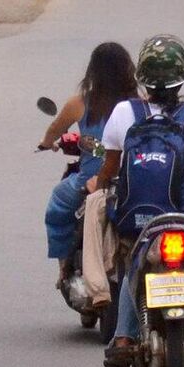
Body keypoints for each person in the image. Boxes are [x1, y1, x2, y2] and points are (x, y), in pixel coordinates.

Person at [93, 34, 184, 367]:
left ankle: (123, 337)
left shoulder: (122, 113)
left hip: (140, 219)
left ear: (142, 80)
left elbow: (109, 168)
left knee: (135, 263)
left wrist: (98, 185)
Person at [38, 42, 139, 306]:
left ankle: (63, 266)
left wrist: (47, 143)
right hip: (131, 183)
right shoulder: (139, 104)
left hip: (90, 183)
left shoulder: (80, 103)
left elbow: (54, 128)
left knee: (57, 207)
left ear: (93, 71)